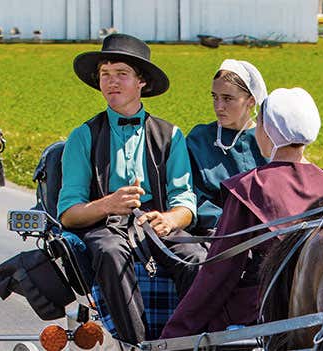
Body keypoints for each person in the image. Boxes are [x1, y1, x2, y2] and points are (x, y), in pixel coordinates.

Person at [58, 33, 207, 344]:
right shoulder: (82, 137)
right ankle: (136, 343)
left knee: (194, 256)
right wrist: (108, 204)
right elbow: (69, 214)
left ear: (142, 82)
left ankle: (184, 340)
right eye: (105, 75)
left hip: (156, 226)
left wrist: (170, 219)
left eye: (121, 74)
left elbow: (186, 203)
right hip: (105, 226)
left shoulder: (171, 135)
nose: (111, 82)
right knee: (111, 252)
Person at [161, 87, 323, 338]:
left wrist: (175, 332)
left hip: (267, 307)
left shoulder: (251, 187)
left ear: (268, 131)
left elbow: (219, 273)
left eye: (259, 122)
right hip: (320, 307)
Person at [186, 59, 268, 234]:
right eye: (214, 97)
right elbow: (193, 197)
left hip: (265, 234)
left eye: (228, 98)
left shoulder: (267, 140)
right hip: (215, 235)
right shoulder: (200, 139)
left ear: (251, 101)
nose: (218, 106)